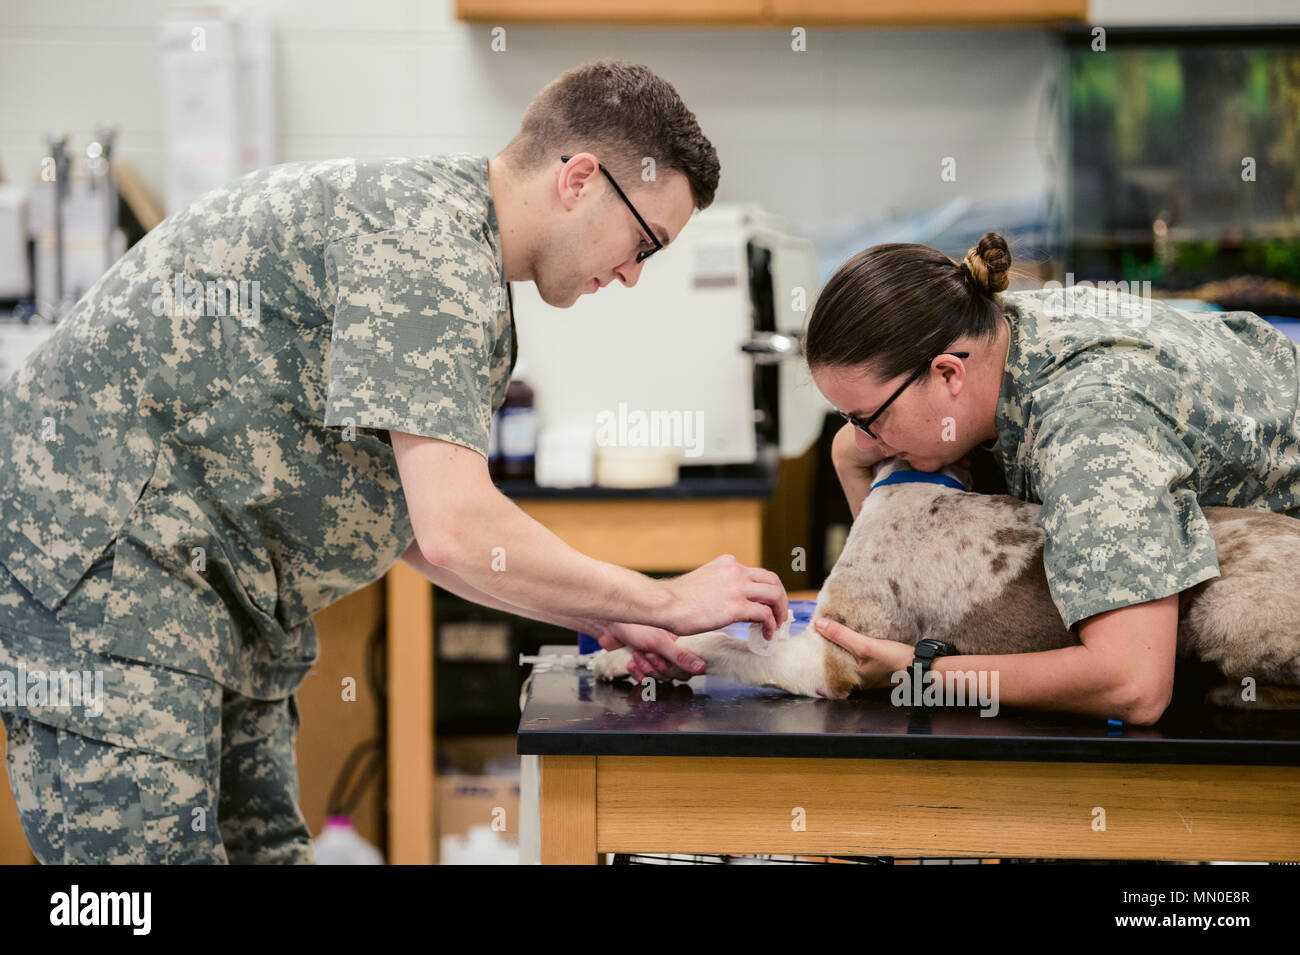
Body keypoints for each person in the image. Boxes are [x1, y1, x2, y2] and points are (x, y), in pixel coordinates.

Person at [0, 60, 788, 864]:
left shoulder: (457, 250)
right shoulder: (426, 244)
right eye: (644, 243)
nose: (630, 273)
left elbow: (409, 518)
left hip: (215, 593)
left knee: (262, 849)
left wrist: (603, 616)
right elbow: (454, 528)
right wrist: (660, 599)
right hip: (101, 567)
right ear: (580, 179)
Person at [803, 232, 1300, 726]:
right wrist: (856, 449)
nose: (865, 437)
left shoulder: (1091, 433)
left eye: (868, 418)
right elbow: (850, 450)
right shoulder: (998, 331)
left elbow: (1132, 685)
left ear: (949, 374)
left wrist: (919, 673)